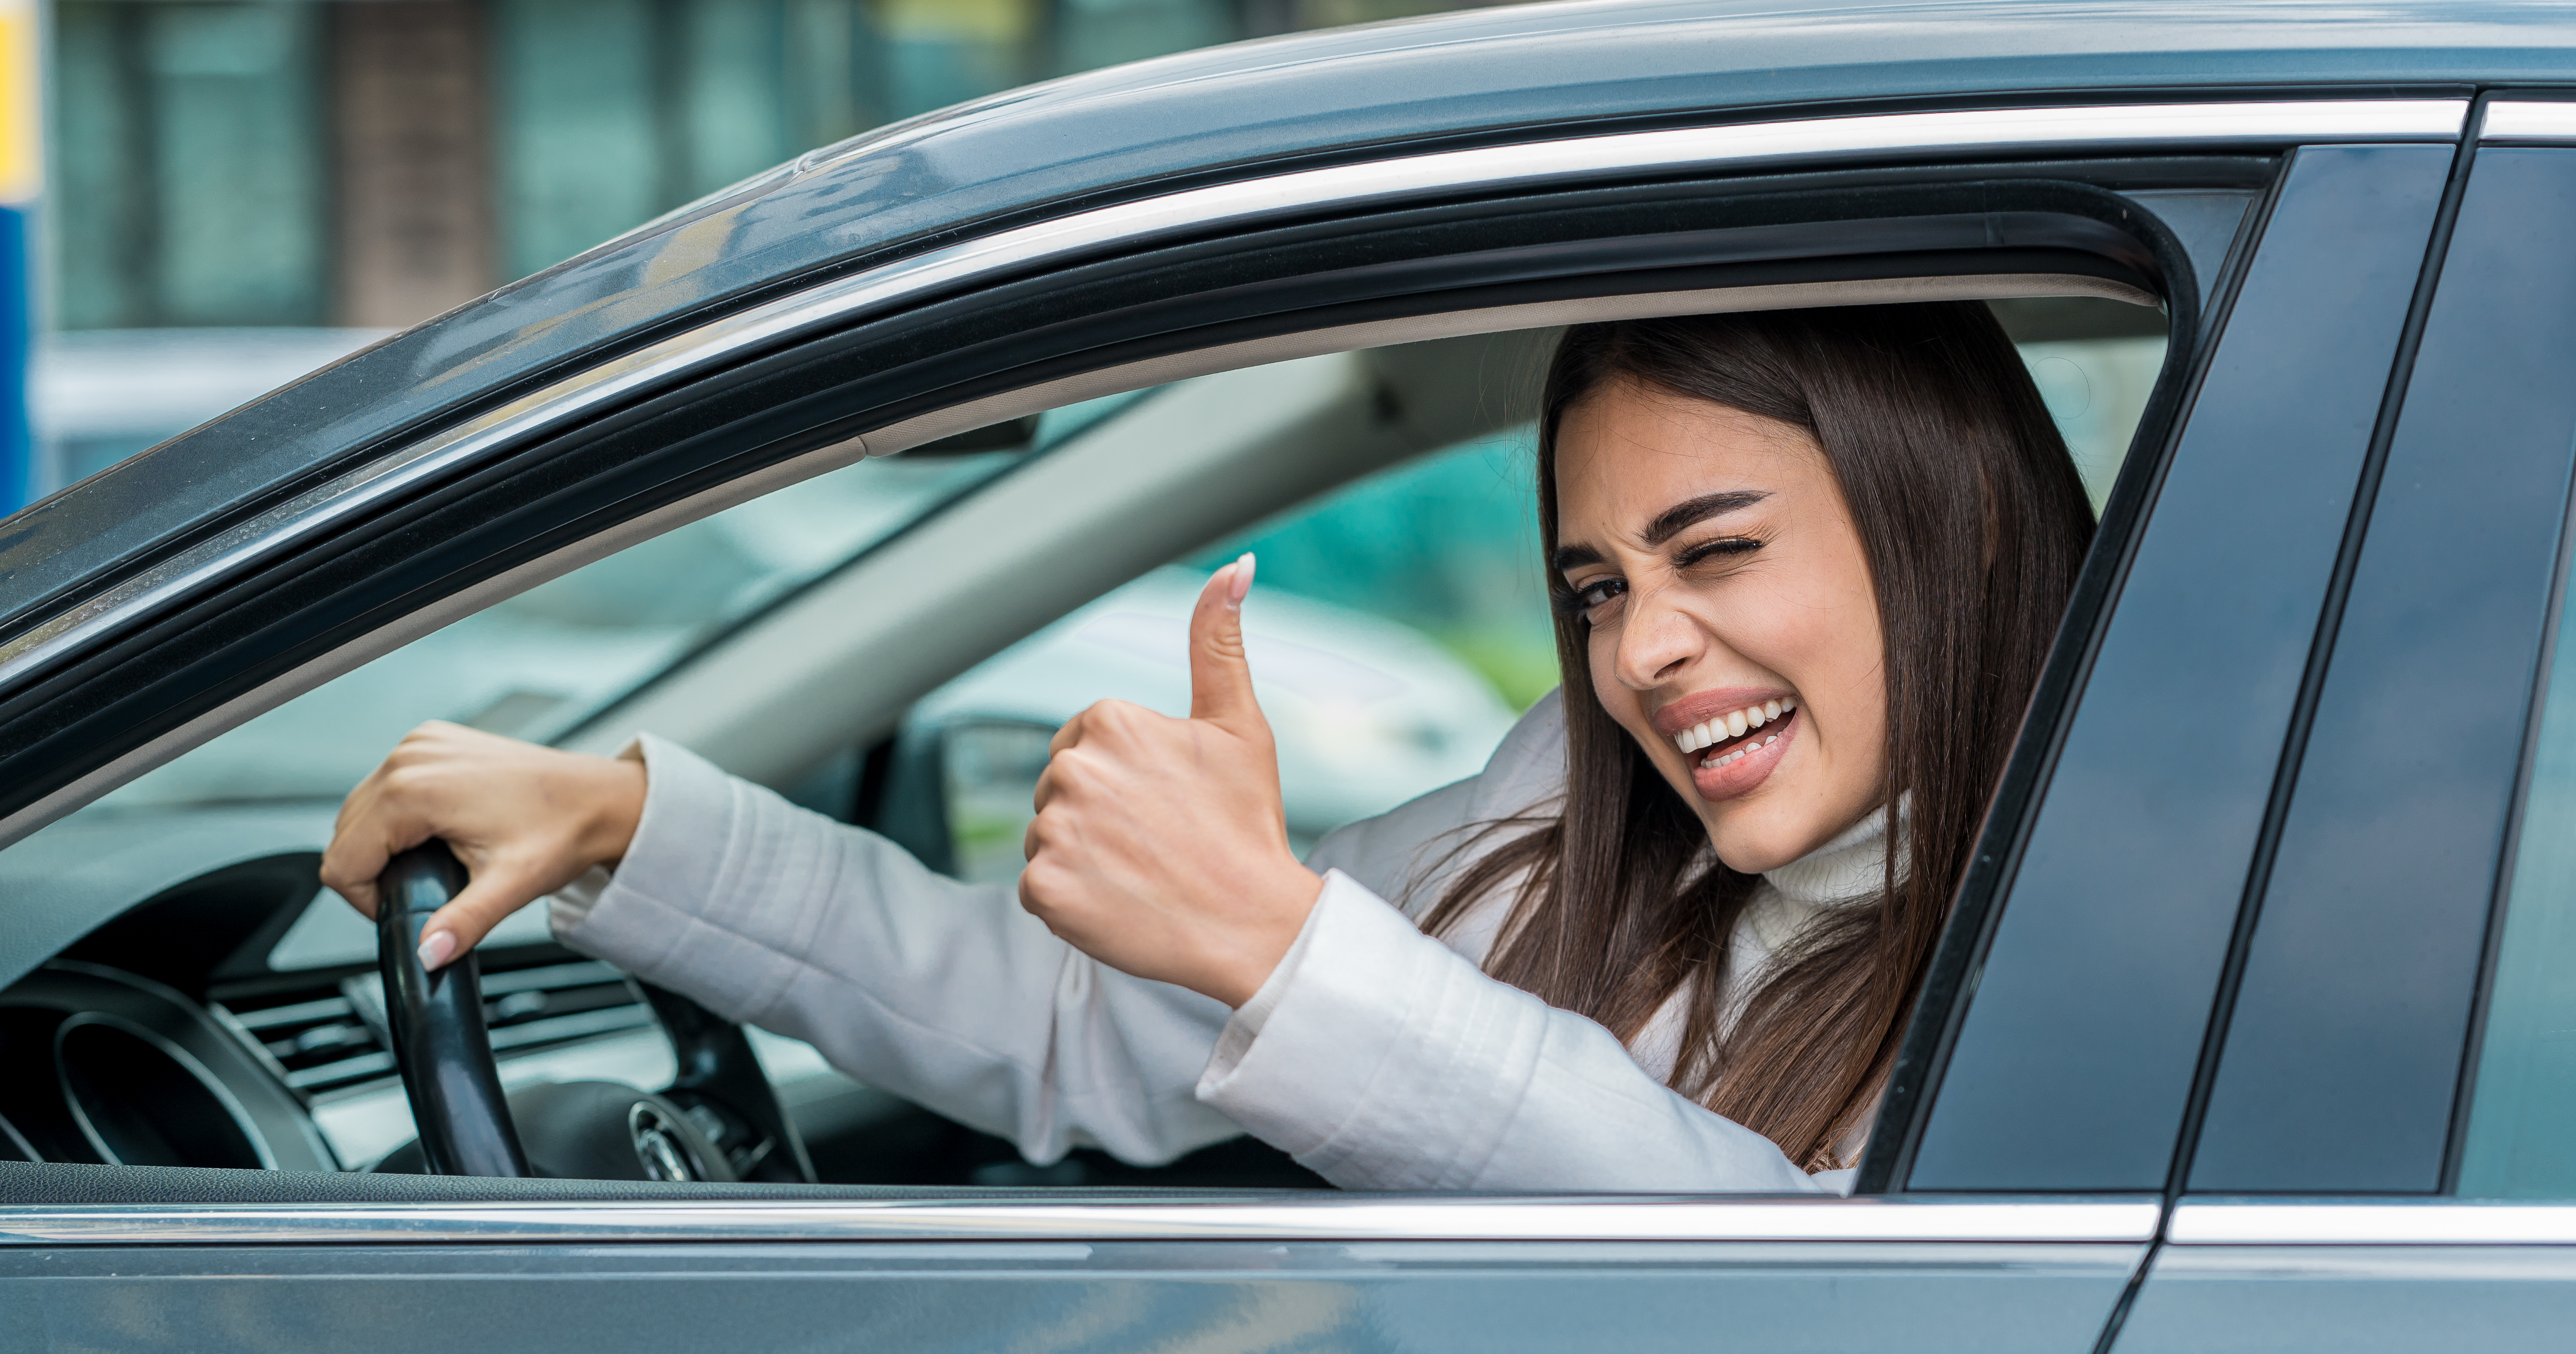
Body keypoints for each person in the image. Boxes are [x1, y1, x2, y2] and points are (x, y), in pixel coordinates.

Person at [322, 304, 2093, 1193]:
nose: (1641, 647)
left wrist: (1278, 943)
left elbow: (1808, 1286)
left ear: (1965, 533)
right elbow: (1068, 1020)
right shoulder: (1570, 811)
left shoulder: (2177, 907)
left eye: (1714, 555)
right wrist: (634, 829)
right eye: (1594, 583)